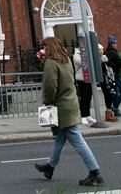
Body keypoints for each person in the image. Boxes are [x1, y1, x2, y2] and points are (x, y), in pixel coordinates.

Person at [33, 37, 104, 187]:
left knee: (78, 141)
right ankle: (50, 167)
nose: (43, 50)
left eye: (45, 47)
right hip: (71, 103)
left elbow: (50, 86)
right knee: (59, 138)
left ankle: (95, 173)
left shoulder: (50, 63)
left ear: (50, 47)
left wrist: (47, 101)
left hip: (61, 106)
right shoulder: (66, 60)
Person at [73, 39, 94, 125]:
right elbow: (81, 62)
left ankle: (88, 115)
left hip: (88, 78)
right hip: (81, 79)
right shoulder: (76, 54)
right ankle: (83, 116)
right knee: (83, 98)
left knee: (89, 97)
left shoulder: (85, 53)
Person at [105, 35, 121, 117]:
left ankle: (115, 108)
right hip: (116, 75)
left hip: (111, 75)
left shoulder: (107, 52)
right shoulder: (113, 53)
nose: (116, 44)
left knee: (116, 92)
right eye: (115, 43)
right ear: (112, 44)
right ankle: (115, 107)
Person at [98, 44, 117, 122]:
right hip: (104, 80)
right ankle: (108, 113)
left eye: (102, 50)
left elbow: (112, 66)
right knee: (107, 95)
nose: (101, 52)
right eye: (100, 50)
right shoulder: (98, 60)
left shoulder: (105, 58)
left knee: (111, 94)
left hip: (110, 78)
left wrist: (107, 62)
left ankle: (109, 111)